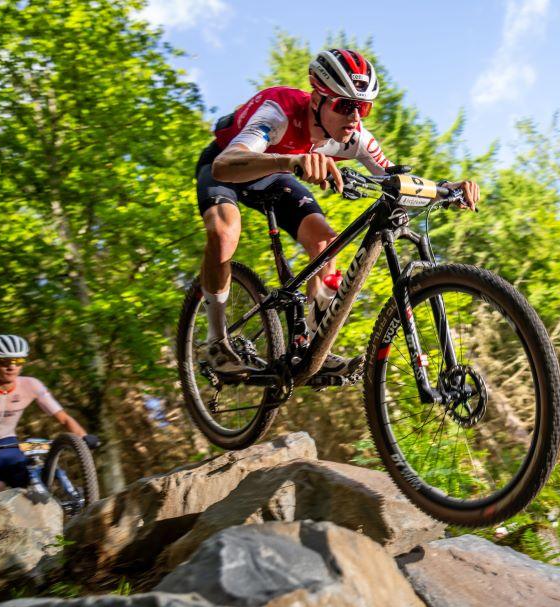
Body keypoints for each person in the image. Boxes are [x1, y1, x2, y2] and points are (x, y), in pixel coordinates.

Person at [195, 48, 480, 379]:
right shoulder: (278, 112)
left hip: (280, 174)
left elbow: (395, 181)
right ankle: (216, 340)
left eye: (363, 107)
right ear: (317, 99)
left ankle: (316, 349)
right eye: (345, 105)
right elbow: (225, 165)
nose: (354, 117)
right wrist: (292, 160)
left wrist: (446, 189)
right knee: (224, 233)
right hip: (233, 166)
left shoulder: (354, 137)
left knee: (326, 245)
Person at [0, 335, 97, 497]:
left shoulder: (31, 385)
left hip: (10, 447)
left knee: (36, 487)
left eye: (18, 361)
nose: (12, 367)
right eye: (4, 362)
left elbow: (63, 418)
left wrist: (83, 437)